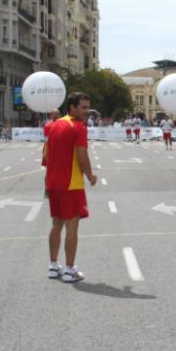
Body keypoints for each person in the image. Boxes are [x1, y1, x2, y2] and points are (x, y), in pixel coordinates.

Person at [45, 92, 97, 282]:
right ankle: (69, 269)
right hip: (71, 183)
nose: (86, 111)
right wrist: (91, 175)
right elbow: (82, 156)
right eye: (83, 107)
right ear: (72, 107)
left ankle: (52, 266)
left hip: (52, 182)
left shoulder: (54, 125)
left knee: (56, 224)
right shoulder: (78, 127)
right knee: (72, 227)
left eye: (87, 108)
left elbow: (47, 154)